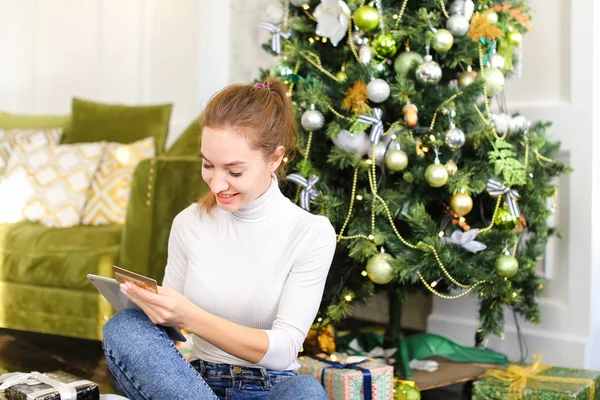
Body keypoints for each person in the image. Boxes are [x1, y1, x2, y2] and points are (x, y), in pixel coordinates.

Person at [102, 78, 336, 400]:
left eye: (234, 172)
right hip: (192, 387)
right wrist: (155, 310)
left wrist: (188, 316)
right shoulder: (189, 223)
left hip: (271, 387)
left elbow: (284, 350)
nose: (217, 184)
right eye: (207, 165)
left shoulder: (310, 233)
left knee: (307, 393)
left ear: (275, 158)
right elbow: (170, 336)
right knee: (124, 327)